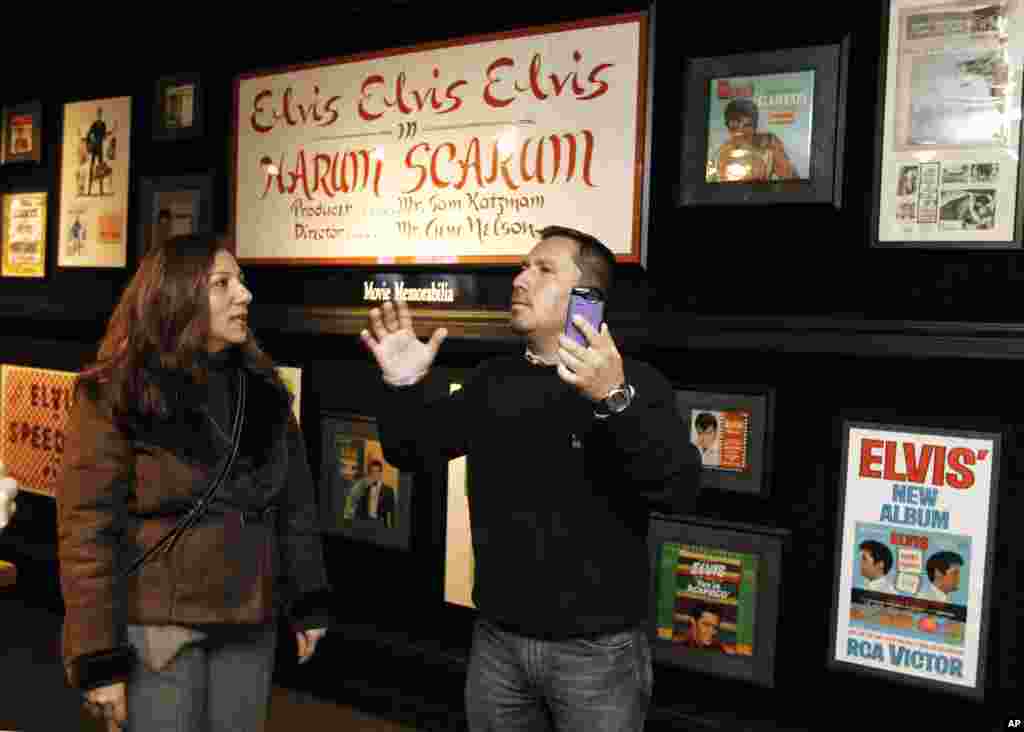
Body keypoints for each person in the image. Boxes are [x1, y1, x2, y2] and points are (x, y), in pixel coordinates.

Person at [361, 225, 701, 731]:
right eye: (523, 266)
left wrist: (613, 399)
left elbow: (677, 489)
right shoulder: (493, 381)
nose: (520, 279)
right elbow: (411, 449)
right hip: (498, 643)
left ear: (588, 297)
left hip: (596, 655)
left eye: (543, 270)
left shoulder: (637, 383)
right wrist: (403, 384)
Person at [56, 233, 331, 732]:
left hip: (249, 620)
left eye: (241, 282)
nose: (244, 295)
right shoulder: (116, 392)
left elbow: (295, 506)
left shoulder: (264, 392)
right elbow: (86, 533)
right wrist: (98, 657)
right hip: (158, 626)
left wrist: (308, 600)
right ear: (178, 296)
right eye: (223, 284)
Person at [711, 97, 797, 183]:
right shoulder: (721, 156)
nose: (741, 132)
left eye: (747, 125)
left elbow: (793, 180)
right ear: (728, 127)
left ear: (755, 127)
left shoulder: (769, 146)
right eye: (734, 127)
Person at [352, 459, 396, 527]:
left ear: (380, 473)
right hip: (365, 524)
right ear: (370, 473)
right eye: (372, 472)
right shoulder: (365, 488)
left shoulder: (389, 491)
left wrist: (390, 529)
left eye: (377, 471)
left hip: (380, 525)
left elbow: (391, 513)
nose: (374, 474)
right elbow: (359, 509)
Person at [86, 107, 109, 196]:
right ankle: (89, 190)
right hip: (94, 148)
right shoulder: (94, 124)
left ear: (101, 114)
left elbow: (104, 136)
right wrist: (93, 140)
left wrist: (104, 136)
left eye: (100, 113)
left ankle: (101, 190)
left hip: (100, 149)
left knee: (100, 169)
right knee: (91, 167)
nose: (99, 114)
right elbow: (90, 134)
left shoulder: (103, 124)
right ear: (97, 114)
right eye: (98, 113)